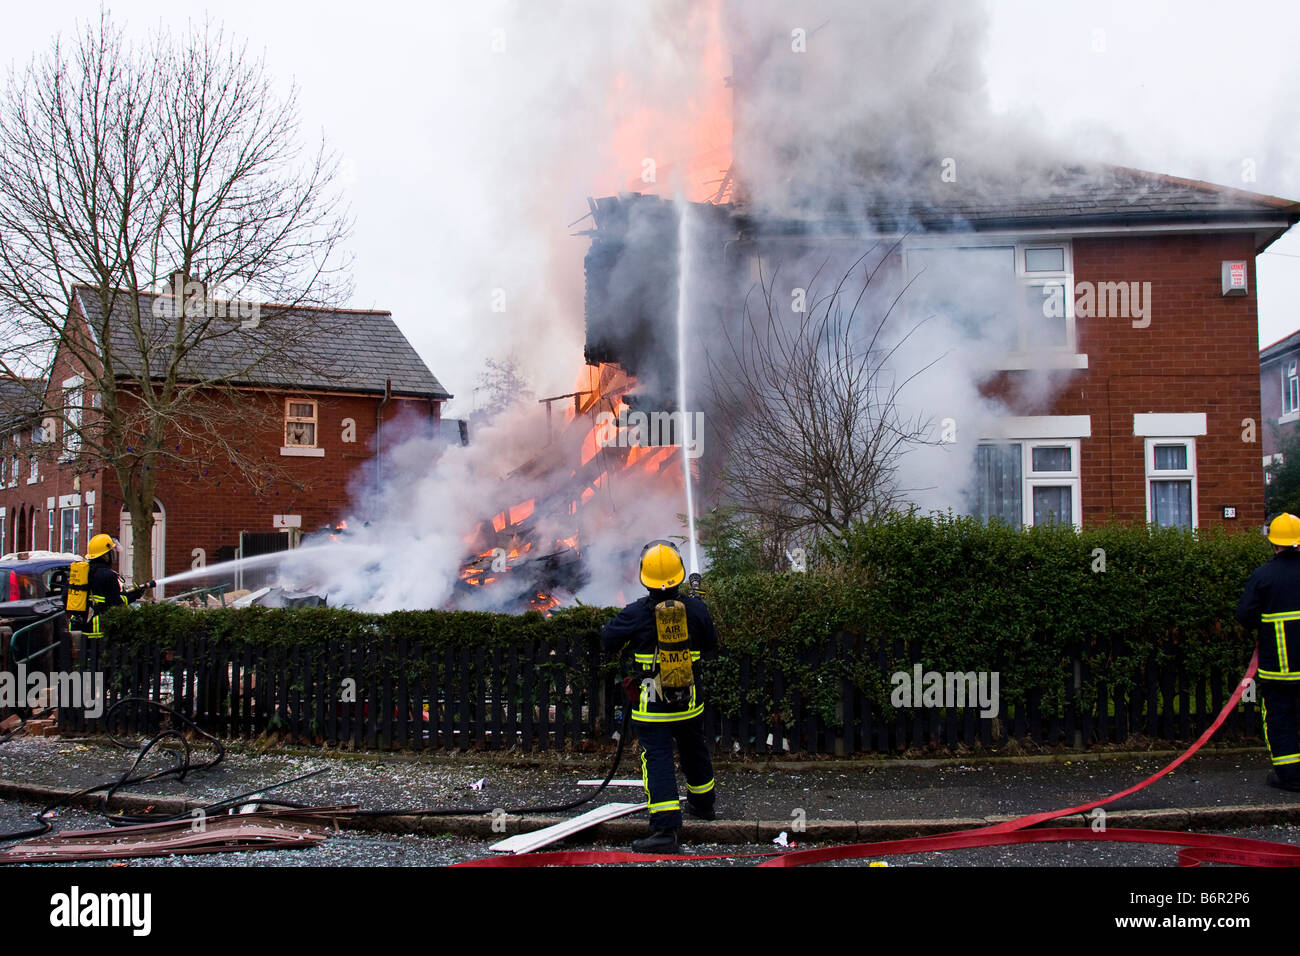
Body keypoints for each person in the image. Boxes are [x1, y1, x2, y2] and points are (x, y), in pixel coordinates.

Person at [601, 539, 718, 852]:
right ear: (679, 575)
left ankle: (665, 831)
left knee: (658, 760)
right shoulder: (695, 609)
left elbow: (607, 639)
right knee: (694, 750)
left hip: (652, 705)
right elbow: (710, 644)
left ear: (645, 577)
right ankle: (703, 804)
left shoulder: (636, 613)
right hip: (689, 701)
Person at [1235, 513, 1300, 793]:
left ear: (1274, 543)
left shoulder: (1264, 575)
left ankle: (1289, 776)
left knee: (1279, 719)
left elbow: (1244, 615)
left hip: (1279, 668)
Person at [82, 533, 155, 639]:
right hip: (97, 629)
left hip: (78, 626)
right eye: (112, 552)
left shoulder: (82, 572)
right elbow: (117, 603)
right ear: (106, 555)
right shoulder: (108, 575)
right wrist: (135, 594)